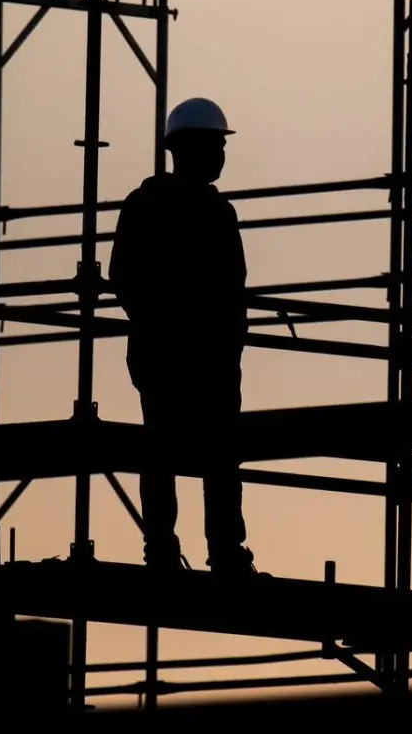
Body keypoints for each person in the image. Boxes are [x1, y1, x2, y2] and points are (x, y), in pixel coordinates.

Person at [109, 97, 260, 577]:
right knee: (196, 453)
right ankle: (208, 550)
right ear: (189, 149)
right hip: (185, 356)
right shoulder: (174, 209)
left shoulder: (166, 207)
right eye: (215, 145)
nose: (221, 155)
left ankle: (182, 549)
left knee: (180, 453)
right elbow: (127, 279)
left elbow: (231, 287)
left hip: (184, 355)